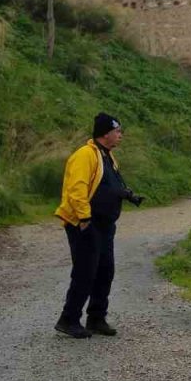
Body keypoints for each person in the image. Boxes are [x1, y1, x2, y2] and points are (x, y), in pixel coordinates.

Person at [53, 112, 141, 339]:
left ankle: (96, 317)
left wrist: (125, 194)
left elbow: (107, 184)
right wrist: (84, 219)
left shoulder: (107, 156)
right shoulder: (85, 155)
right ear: (106, 133)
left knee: (105, 271)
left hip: (104, 225)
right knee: (85, 272)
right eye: (117, 131)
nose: (120, 135)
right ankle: (69, 319)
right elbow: (77, 189)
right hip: (85, 224)